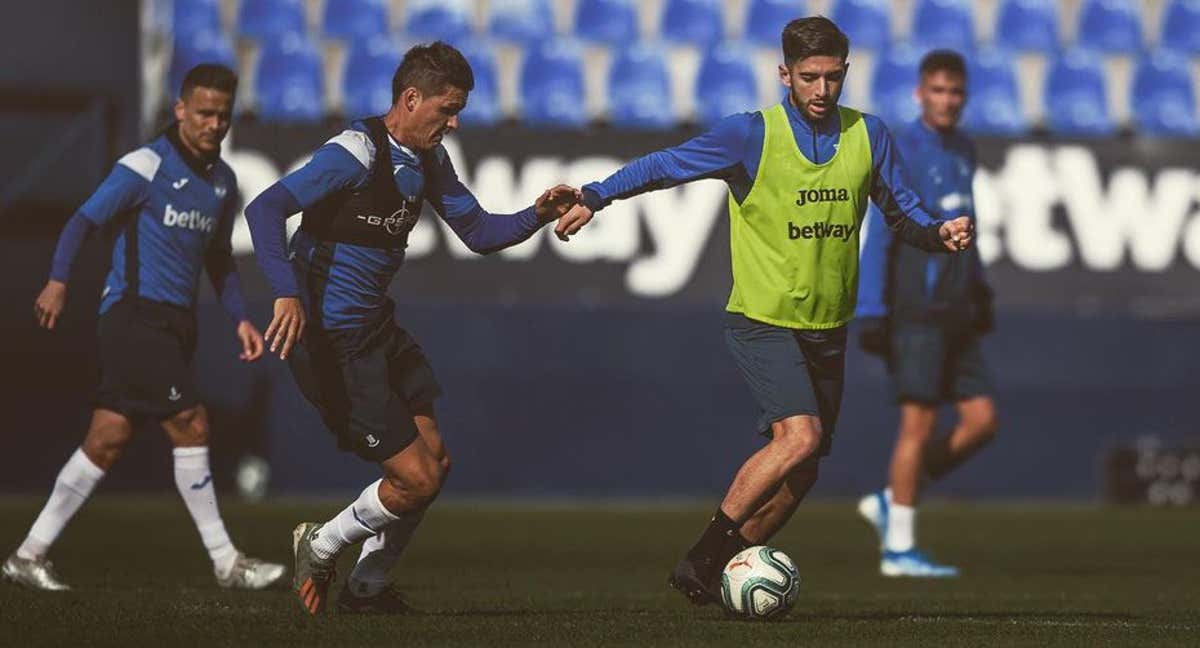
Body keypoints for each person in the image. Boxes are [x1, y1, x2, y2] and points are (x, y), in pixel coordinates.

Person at [552, 17, 974, 606]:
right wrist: (596, 195)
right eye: (808, 78)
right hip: (763, 319)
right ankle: (701, 557)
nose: (821, 90)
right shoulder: (749, 135)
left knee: (801, 476)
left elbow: (903, 213)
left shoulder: (869, 134)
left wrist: (939, 233)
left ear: (846, 73)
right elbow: (665, 165)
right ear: (784, 74)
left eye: (832, 77)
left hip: (828, 327)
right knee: (798, 438)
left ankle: (715, 576)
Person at [244, 41, 579, 616]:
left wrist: (539, 214)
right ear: (410, 97)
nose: (453, 123)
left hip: (378, 329)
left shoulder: (428, 160)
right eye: (446, 110)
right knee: (417, 480)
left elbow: (479, 232)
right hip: (334, 344)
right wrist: (284, 293)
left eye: (459, 113)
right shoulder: (353, 153)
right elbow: (264, 209)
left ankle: (368, 589)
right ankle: (318, 544)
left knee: (436, 464)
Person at [5, 64, 285, 591]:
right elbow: (83, 220)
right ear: (180, 109)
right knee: (191, 423)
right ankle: (227, 562)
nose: (212, 124)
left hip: (177, 322)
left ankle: (28, 554)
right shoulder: (146, 165)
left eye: (222, 116)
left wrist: (240, 319)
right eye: (203, 113)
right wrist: (58, 280)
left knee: (107, 438)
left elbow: (219, 258)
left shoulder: (222, 182)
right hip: (133, 315)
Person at [854, 50, 999, 578]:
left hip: (958, 308)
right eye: (937, 90)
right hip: (914, 308)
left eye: (955, 92)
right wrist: (871, 308)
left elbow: (969, 225)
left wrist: (979, 290)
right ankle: (898, 548)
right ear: (920, 93)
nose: (947, 100)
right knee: (918, 424)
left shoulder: (964, 148)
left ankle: (895, 498)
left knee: (982, 421)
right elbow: (881, 231)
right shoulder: (904, 148)